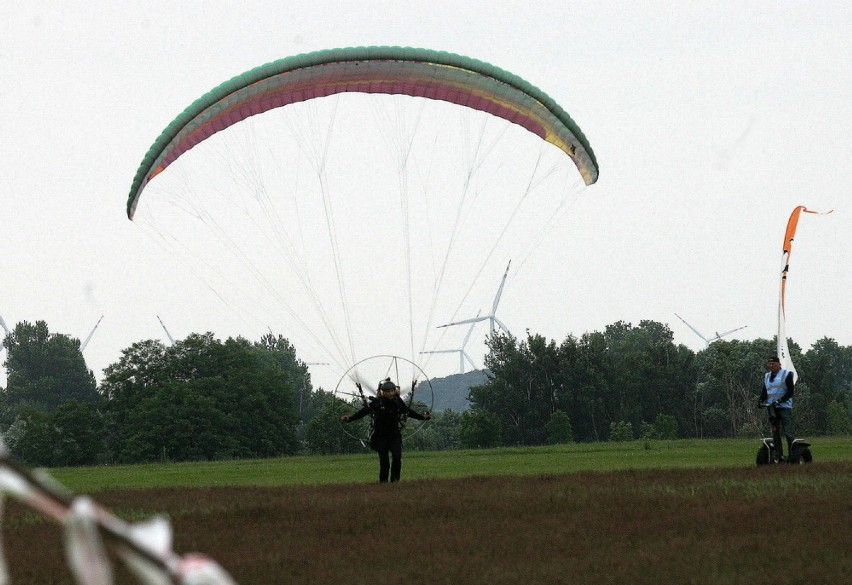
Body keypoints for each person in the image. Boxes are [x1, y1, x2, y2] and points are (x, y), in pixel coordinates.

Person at [341, 378, 431, 483]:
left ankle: (395, 482)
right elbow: (364, 412)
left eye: (392, 391)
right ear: (383, 393)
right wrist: (349, 419)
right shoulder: (378, 402)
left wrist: (423, 417)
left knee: (397, 457)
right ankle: (383, 483)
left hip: (394, 435)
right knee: (384, 461)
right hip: (380, 436)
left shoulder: (398, 402)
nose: (390, 393)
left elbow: (408, 412)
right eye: (388, 392)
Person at [759, 355, 795, 462]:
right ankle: (778, 456)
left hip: (784, 408)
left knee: (788, 432)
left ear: (779, 364)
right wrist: (760, 401)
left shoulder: (786, 374)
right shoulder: (767, 376)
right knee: (775, 433)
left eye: (773, 364)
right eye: (769, 364)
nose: (771, 366)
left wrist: (780, 401)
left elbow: (790, 392)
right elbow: (765, 391)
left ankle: (792, 456)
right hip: (772, 408)